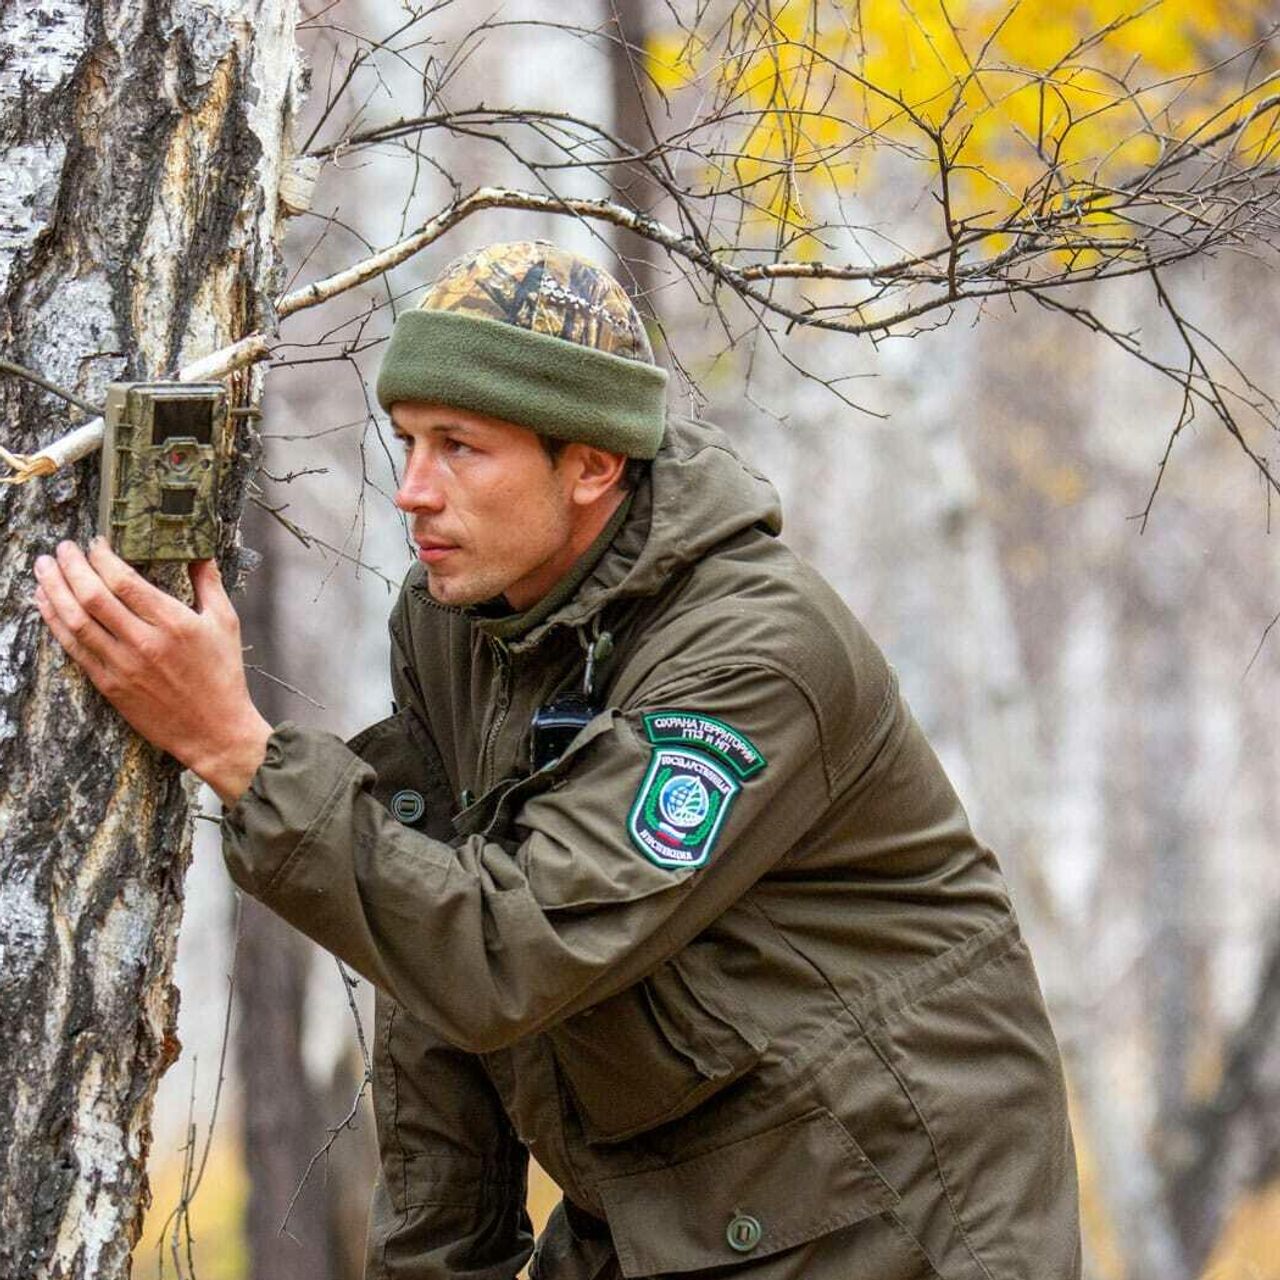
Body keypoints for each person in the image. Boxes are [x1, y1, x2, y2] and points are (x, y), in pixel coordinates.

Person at [32, 241, 1082, 1280]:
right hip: (679, 1190)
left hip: (888, 1207)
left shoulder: (755, 655)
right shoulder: (459, 618)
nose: (412, 491)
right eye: (405, 440)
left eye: (460, 446)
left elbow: (506, 950)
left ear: (591, 463)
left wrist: (234, 746)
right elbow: (428, 973)